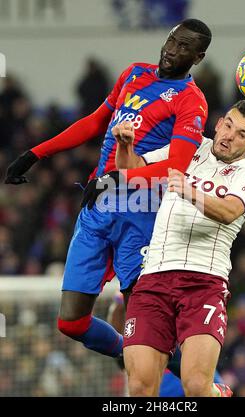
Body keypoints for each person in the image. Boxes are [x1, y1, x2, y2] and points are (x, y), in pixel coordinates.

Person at [5, 19, 212, 362]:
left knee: (145, 330)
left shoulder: (192, 101)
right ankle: (141, 356)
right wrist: (35, 153)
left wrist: (119, 179)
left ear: (198, 57)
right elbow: (95, 121)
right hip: (98, 205)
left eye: (184, 47)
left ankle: (195, 377)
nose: (171, 50)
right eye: (172, 41)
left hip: (141, 213)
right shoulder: (134, 73)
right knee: (71, 322)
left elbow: (176, 166)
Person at [121, 100, 245, 397]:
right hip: (154, 278)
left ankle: (217, 393)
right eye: (228, 125)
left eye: (242, 134)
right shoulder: (190, 147)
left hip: (204, 281)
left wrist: (187, 188)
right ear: (218, 123)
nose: (229, 136)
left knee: (197, 386)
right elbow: (132, 172)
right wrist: (125, 146)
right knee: (139, 388)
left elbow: (229, 211)